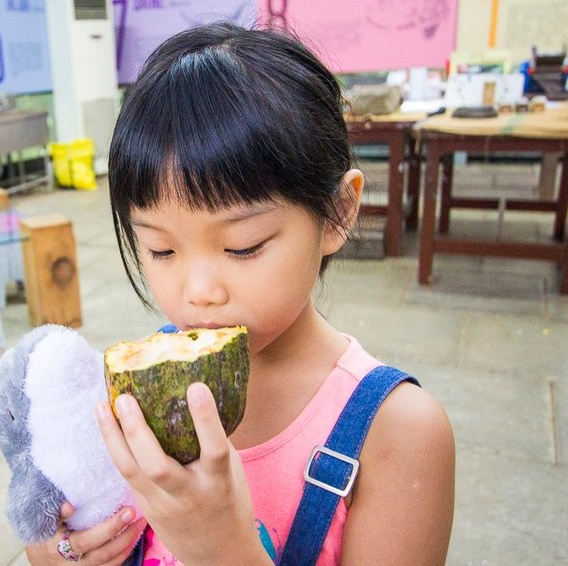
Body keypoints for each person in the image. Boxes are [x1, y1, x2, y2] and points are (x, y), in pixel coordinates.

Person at [25, 22, 455, 566]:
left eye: (243, 246)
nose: (199, 293)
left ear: (339, 213)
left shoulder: (400, 434)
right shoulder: (132, 395)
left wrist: (222, 548)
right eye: (161, 250)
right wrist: (58, 547)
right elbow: (64, 537)